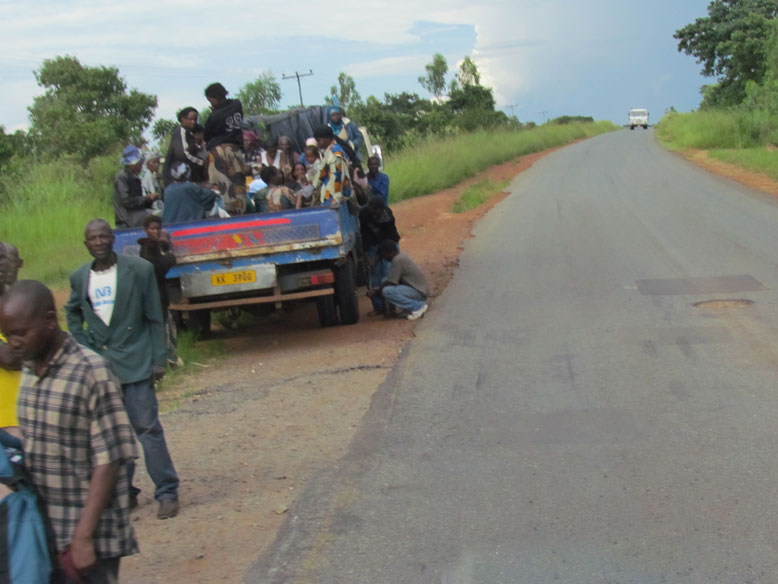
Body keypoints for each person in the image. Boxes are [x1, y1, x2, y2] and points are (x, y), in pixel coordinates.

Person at [0, 280, 139, 582]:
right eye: (8, 335)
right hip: (45, 529)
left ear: (50, 321)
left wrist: (83, 538)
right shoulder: (29, 369)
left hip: (87, 534)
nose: (13, 343)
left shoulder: (91, 372)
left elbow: (110, 459)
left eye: (20, 333)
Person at [65, 219, 180, 520]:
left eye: (104, 236)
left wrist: (159, 357)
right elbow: (72, 313)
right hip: (103, 367)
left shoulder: (138, 270)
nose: (100, 242)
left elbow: (156, 317)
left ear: (113, 239)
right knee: (111, 434)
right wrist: (86, 345)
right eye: (93, 238)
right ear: (86, 244)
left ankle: (167, 491)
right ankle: (124, 493)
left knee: (147, 429)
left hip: (139, 360)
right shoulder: (79, 277)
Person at [138, 215, 179, 369]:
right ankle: (166, 361)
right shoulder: (148, 248)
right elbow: (156, 270)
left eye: (157, 228)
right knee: (163, 329)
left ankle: (170, 360)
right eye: (152, 229)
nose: (155, 232)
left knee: (168, 328)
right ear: (146, 230)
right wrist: (169, 257)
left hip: (159, 295)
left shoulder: (154, 246)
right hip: (154, 296)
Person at [204, 83, 249, 214]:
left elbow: (207, 135)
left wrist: (213, 111)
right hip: (236, 150)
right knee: (238, 184)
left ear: (214, 98)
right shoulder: (237, 104)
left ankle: (226, 214)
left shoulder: (214, 116)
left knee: (222, 186)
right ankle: (240, 211)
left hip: (220, 152)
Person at [368, 240, 429, 320]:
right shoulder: (400, 256)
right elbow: (391, 279)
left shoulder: (398, 260)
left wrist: (377, 291)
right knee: (384, 282)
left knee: (387, 290)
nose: (384, 258)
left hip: (419, 292)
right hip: (418, 290)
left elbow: (391, 282)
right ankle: (405, 309)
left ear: (387, 252)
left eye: (383, 255)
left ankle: (418, 306)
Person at [359, 199, 400, 314]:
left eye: (376, 212)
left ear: (382, 210)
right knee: (373, 275)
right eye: (372, 211)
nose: (374, 215)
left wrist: (376, 260)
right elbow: (364, 234)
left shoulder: (388, 218)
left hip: (388, 244)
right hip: (372, 244)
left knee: (388, 272)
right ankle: (378, 307)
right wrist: (366, 254)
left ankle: (391, 305)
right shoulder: (364, 213)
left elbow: (386, 243)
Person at [0, 243, 23, 432]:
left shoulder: (20, 300)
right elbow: (9, 358)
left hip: (26, 408)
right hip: (5, 418)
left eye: (1, 258)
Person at [114, 145, 158, 229]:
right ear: (133, 164)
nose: (141, 165)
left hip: (136, 218)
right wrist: (146, 198)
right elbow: (126, 201)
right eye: (140, 163)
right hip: (127, 222)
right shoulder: (122, 177)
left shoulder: (133, 177)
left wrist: (149, 200)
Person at [163, 107, 208, 186]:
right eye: (190, 119)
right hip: (176, 178)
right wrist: (203, 163)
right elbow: (183, 154)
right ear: (183, 119)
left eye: (195, 119)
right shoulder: (181, 131)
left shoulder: (189, 134)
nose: (193, 122)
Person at [309, 125, 352, 206]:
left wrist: (336, 199)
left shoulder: (335, 154)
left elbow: (337, 177)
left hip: (333, 198)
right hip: (330, 195)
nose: (317, 144)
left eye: (319, 140)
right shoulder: (330, 151)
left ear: (327, 139)